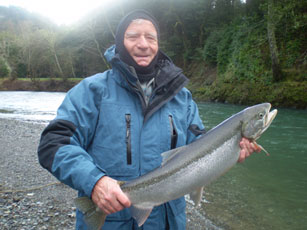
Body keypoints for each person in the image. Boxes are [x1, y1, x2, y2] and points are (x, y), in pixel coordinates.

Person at [38, 9, 259, 230]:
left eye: (150, 37)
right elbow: (54, 143)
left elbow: (201, 146)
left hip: (167, 223)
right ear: (120, 42)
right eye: (133, 36)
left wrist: (230, 151)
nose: (143, 44)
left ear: (158, 44)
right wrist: (95, 182)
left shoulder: (182, 98)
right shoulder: (92, 91)